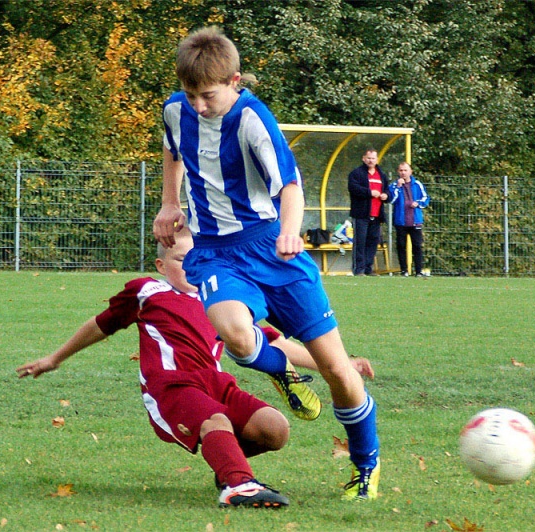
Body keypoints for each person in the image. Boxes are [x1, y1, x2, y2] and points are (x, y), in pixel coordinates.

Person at [153, 27, 382, 501]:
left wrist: (290, 231)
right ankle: (281, 370)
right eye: (192, 95)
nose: (199, 106)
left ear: (234, 82)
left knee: (338, 371)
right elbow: (172, 152)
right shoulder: (176, 110)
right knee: (235, 333)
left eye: (209, 96)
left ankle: (366, 465)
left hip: (273, 249)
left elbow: (290, 186)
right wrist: (169, 203)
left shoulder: (254, 120)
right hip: (216, 252)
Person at [16, 230, 377, 509]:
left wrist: (342, 364)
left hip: (216, 382)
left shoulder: (221, 299)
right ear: (161, 266)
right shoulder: (147, 291)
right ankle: (238, 486)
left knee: (275, 429)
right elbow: (100, 324)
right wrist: (55, 358)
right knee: (216, 422)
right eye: (179, 259)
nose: (189, 267)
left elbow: (275, 343)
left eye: (195, 258)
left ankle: (225, 464)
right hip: (172, 385)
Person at [348, 149, 390, 276]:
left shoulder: (381, 175)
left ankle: (368, 268)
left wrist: (386, 195)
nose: (371, 161)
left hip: (377, 215)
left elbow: (388, 190)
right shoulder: (356, 173)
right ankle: (358, 269)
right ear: (364, 159)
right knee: (360, 242)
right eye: (369, 158)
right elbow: (353, 188)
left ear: (377, 160)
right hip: (361, 214)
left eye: (373, 158)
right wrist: (369, 192)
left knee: (373, 242)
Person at [388, 162, 430, 277]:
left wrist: (418, 203)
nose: (403, 173)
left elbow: (425, 198)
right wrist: (398, 187)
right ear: (398, 172)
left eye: (405, 170)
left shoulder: (417, 184)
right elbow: (392, 200)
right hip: (401, 221)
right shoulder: (394, 186)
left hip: (415, 220)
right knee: (401, 245)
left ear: (410, 171)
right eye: (401, 170)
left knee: (417, 246)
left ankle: (418, 271)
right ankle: (404, 270)